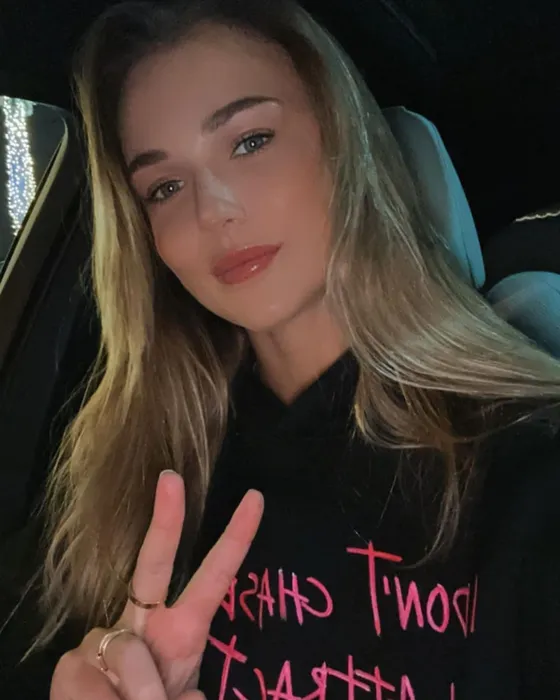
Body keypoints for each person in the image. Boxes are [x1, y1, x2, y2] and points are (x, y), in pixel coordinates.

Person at [27, 0, 560, 698]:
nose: (213, 209)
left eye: (250, 141)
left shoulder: (526, 469)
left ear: (343, 142)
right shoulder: (138, 470)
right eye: (165, 186)